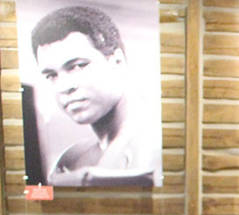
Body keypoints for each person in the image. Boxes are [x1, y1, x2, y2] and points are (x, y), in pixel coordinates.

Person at [31, 5, 158, 186]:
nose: (64, 87)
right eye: (52, 75)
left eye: (78, 66)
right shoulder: (71, 159)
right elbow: (34, 199)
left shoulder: (156, 148)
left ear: (117, 61)